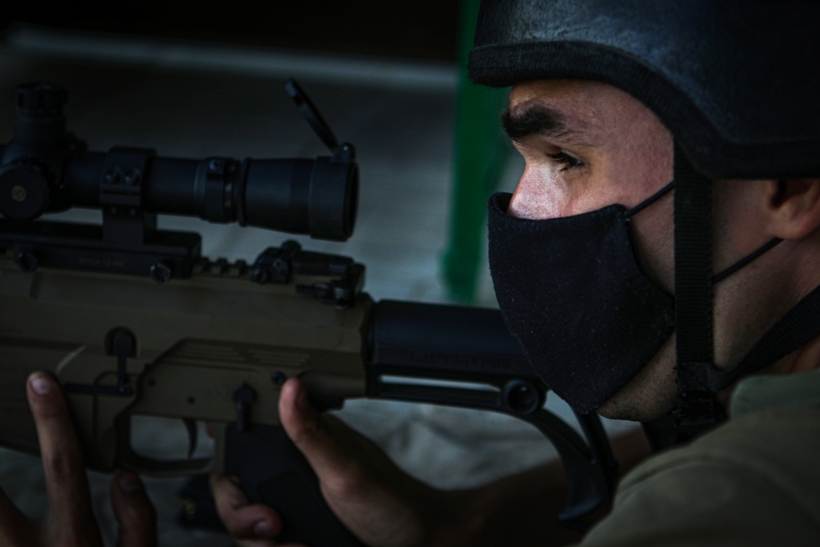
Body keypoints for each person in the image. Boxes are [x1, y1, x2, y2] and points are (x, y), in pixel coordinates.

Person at [3, 0, 820, 545]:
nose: (522, 210)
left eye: (567, 158)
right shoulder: (748, 419)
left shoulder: (732, 498)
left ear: (787, 185)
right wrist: (461, 523)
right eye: (525, 160)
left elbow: (713, 483)